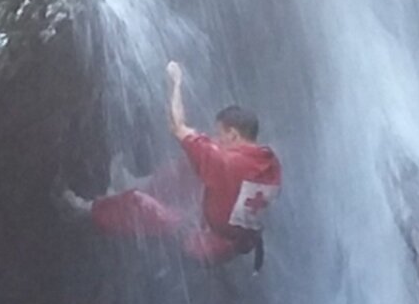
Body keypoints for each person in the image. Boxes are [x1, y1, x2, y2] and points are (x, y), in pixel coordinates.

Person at [64, 61, 282, 269]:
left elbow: (176, 125)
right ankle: (144, 183)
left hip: (203, 244)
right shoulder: (269, 162)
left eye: (221, 134)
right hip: (239, 237)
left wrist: (176, 82)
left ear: (234, 135)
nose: (218, 138)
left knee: (138, 203)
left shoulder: (225, 163)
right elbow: (229, 178)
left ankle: (87, 210)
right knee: (190, 165)